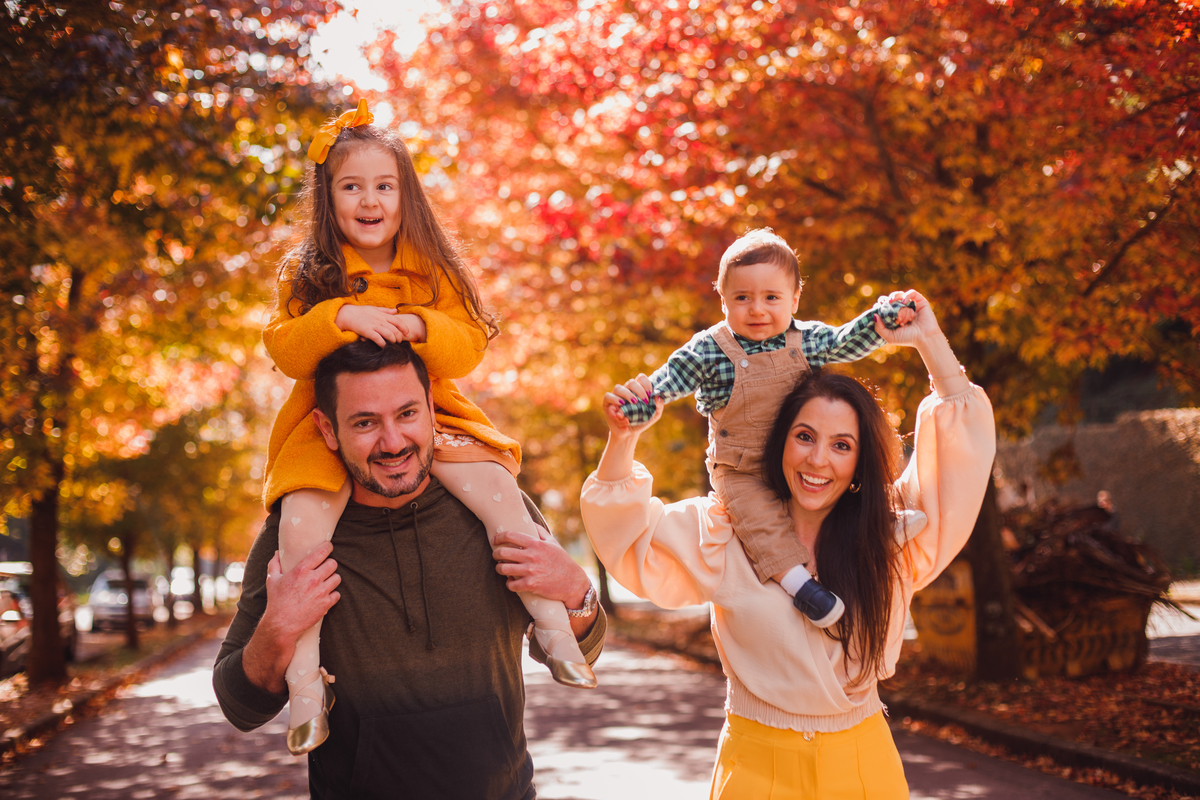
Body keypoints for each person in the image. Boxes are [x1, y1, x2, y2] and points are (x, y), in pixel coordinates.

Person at [263, 100, 595, 755]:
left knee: (500, 497)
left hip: (434, 416)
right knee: (300, 533)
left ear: (406, 196)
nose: (369, 200)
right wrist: (341, 318)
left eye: (384, 186)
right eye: (351, 186)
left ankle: (554, 631)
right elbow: (282, 347)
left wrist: (418, 325)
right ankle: (306, 692)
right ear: (326, 199)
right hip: (327, 430)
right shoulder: (309, 276)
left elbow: (468, 347)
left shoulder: (430, 269)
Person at [583, 291, 995, 799]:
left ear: (860, 459)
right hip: (757, 769)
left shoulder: (890, 535)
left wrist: (928, 340)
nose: (818, 460)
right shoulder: (724, 532)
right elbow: (628, 537)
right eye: (804, 436)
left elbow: (959, 461)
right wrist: (624, 438)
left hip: (864, 768)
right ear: (780, 440)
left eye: (841, 445)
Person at [214, 340, 605, 799]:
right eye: (365, 423)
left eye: (407, 414)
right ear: (327, 429)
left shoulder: (493, 508)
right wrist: (277, 629)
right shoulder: (293, 536)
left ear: (433, 410)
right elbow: (240, 706)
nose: (393, 442)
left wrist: (579, 592)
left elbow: (583, 648)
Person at [616, 228, 915, 627]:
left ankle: (880, 528)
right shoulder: (709, 349)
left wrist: (882, 320)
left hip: (800, 457)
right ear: (722, 301)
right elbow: (669, 380)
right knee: (760, 523)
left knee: (835, 481)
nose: (757, 310)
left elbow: (847, 340)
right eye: (742, 298)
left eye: (771, 298)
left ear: (794, 299)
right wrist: (641, 403)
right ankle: (802, 588)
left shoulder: (806, 340)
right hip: (743, 468)